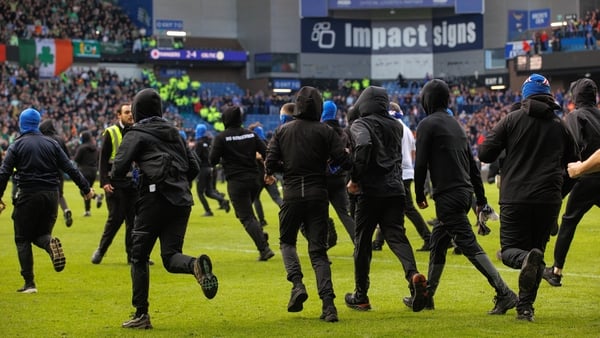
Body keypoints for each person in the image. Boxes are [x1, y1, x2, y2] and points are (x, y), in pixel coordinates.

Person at [112, 89, 218, 329]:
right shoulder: (176, 133)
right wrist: (177, 182)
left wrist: (135, 179)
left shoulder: (136, 133)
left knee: (139, 257)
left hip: (153, 199)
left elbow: (118, 168)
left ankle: (141, 315)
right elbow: (194, 165)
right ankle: (194, 265)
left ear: (138, 110)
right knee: (170, 257)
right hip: (181, 200)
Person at [478, 74, 577, 321]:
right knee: (538, 253)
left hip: (516, 197)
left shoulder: (511, 120)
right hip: (548, 200)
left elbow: (484, 153)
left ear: (524, 95)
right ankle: (525, 308)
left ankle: (525, 262)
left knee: (511, 251)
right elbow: (575, 168)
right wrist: (558, 192)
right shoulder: (560, 125)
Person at [413, 79, 517, 315]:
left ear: (427, 99)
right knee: (438, 243)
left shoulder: (427, 124)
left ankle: (504, 292)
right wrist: (480, 200)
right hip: (464, 192)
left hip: (447, 196)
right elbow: (472, 165)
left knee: (470, 246)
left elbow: (421, 165)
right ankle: (428, 296)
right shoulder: (456, 125)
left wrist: (419, 193)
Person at [264, 86, 351, 322]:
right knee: (318, 253)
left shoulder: (282, 131)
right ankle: (329, 306)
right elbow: (344, 160)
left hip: (292, 193)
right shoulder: (325, 131)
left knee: (287, 242)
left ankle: (297, 284)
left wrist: (287, 169)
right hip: (317, 194)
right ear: (319, 106)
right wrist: (328, 167)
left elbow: (270, 163)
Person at [344, 86, 428, 313]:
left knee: (362, 243)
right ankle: (413, 275)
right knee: (396, 236)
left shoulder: (360, 124)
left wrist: (355, 178)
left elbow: (363, 144)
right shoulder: (396, 125)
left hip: (370, 191)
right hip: (395, 188)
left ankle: (361, 296)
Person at [0, 108, 95, 293]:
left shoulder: (16, 145)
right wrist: (86, 189)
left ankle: (29, 283)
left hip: (28, 194)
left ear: (21, 123)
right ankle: (50, 244)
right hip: (52, 196)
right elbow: (71, 167)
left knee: (22, 238)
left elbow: (4, 172)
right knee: (40, 235)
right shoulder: (51, 144)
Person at [543, 78, 600, 287]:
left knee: (569, 220)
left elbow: (571, 147)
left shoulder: (576, 116)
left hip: (586, 177)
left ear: (576, 96)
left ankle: (556, 271)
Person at [209, 104, 274, 261]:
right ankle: (260, 234)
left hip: (236, 182)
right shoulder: (250, 134)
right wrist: (269, 172)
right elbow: (267, 152)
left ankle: (264, 249)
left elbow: (212, 160)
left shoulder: (221, 137)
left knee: (245, 217)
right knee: (247, 213)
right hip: (254, 180)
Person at [373, 102, 431, 252]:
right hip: (407, 171)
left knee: (406, 208)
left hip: (397, 171)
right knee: (391, 207)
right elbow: (413, 153)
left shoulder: (389, 127)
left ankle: (428, 238)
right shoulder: (406, 129)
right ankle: (379, 241)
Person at [92, 103, 138, 265]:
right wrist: (104, 182)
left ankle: (132, 256)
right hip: (114, 182)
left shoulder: (136, 131)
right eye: (126, 112)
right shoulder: (111, 132)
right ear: (119, 115)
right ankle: (101, 250)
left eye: (131, 112)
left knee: (133, 221)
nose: (130, 115)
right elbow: (102, 159)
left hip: (132, 183)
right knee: (116, 219)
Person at [321, 100, 355, 243]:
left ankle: (328, 238)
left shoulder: (320, 130)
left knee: (319, 213)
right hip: (339, 177)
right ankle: (358, 242)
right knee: (344, 214)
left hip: (322, 178)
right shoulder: (343, 133)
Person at [39, 119, 74, 227]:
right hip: (58, 172)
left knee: (44, 194)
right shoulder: (60, 139)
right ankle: (66, 209)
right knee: (59, 194)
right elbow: (67, 157)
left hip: (44, 172)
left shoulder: (42, 140)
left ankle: (46, 216)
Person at [193, 123, 230, 217]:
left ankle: (208, 211)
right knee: (209, 191)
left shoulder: (199, 143)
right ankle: (223, 200)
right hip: (210, 168)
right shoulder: (210, 141)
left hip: (202, 170)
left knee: (200, 192)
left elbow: (196, 157)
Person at [73, 131, 103, 216]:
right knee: (88, 189)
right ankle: (88, 210)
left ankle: (96, 198)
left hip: (83, 171)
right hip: (93, 171)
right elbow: (98, 159)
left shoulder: (82, 148)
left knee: (84, 190)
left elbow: (76, 159)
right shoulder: (95, 148)